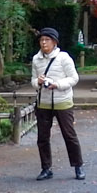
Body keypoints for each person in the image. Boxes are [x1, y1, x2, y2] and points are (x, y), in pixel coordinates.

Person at [30, 27, 84, 181]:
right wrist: (38, 82)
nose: (43, 43)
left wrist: (57, 84)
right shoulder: (36, 59)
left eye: (47, 40)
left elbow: (74, 78)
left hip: (62, 102)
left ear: (54, 42)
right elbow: (33, 81)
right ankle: (46, 168)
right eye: (41, 40)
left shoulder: (64, 58)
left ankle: (78, 166)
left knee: (69, 135)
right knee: (42, 137)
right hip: (43, 103)